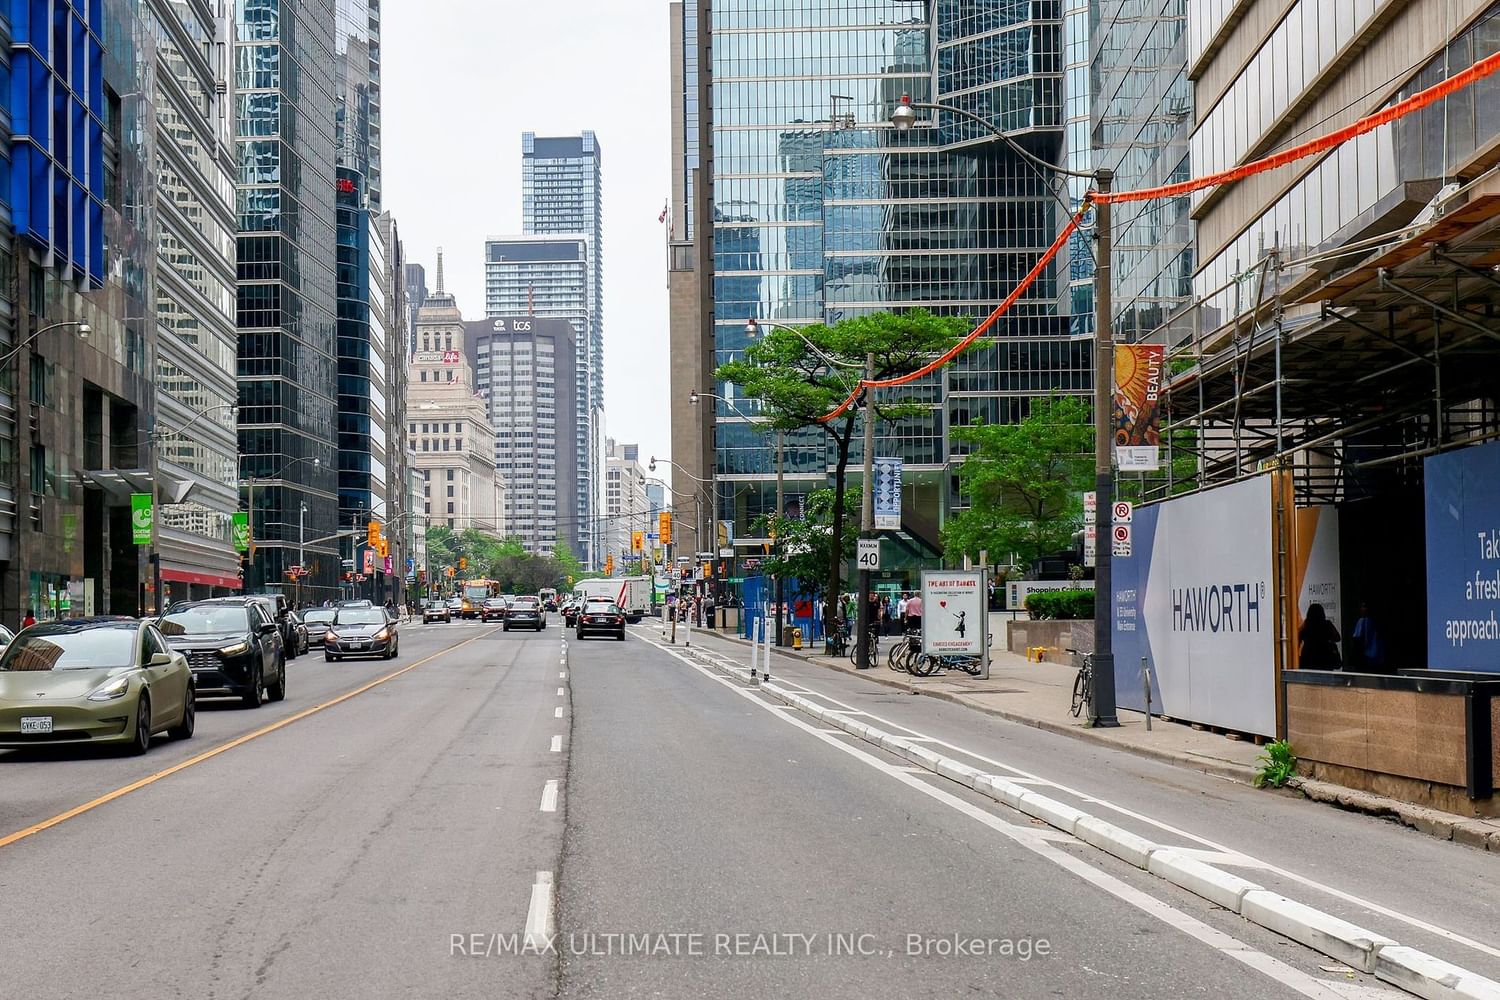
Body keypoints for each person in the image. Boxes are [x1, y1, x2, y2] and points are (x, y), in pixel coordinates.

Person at [1298, 603, 1342, 668]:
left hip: (1308, 657)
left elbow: (1298, 638)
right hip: (1326, 657)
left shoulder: (1306, 625)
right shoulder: (1327, 624)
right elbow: (1337, 638)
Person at [1350, 601, 1385, 671]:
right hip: (1371, 655)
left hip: (1368, 656)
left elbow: (1357, 638)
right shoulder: (1365, 621)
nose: (1363, 609)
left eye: (1364, 606)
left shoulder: (1364, 621)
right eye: (1362, 606)